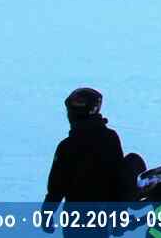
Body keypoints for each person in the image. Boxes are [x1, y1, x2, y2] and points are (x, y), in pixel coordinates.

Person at [43, 87, 126, 233]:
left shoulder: (67, 146)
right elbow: (119, 178)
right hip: (102, 216)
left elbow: (56, 186)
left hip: (77, 218)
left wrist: (47, 213)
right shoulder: (110, 138)